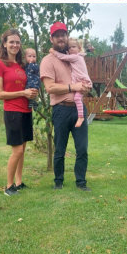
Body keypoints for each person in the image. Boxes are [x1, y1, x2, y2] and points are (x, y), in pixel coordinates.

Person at [40, 22, 93, 191]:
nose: (61, 38)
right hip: (61, 109)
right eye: (57, 35)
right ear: (52, 39)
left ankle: (81, 182)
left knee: (82, 148)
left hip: (78, 109)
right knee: (60, 149)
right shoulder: (48, 61)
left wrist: (85, 87)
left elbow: (83, 78)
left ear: (67, 36)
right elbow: (49, 88)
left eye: (63, 34)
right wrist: (72, 87)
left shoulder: (74, 55)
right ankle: (58, 181)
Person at [0, 28, 38, 196]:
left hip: (26, 110)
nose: (15, 45)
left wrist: (32, 92)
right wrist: (22, 93)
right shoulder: (0, 64)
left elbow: (27, 85)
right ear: (4, 44)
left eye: (17, 42)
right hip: (12, 112)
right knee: (17, 150)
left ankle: (18, 182)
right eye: (11, 41)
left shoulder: (21, 65)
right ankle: (9, 186)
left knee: (23, 149)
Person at [55, 37, 94, 126]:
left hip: (83, 82)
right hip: (82, 82)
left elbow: (63, 57)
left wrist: (54, 52)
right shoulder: (78, 57)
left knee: (76, 98)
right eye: (69, 47)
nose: (71, 49)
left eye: (73, 47)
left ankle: (81, 117)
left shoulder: (75, 57)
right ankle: (80, 115)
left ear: (79, 48)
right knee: (78, 98)